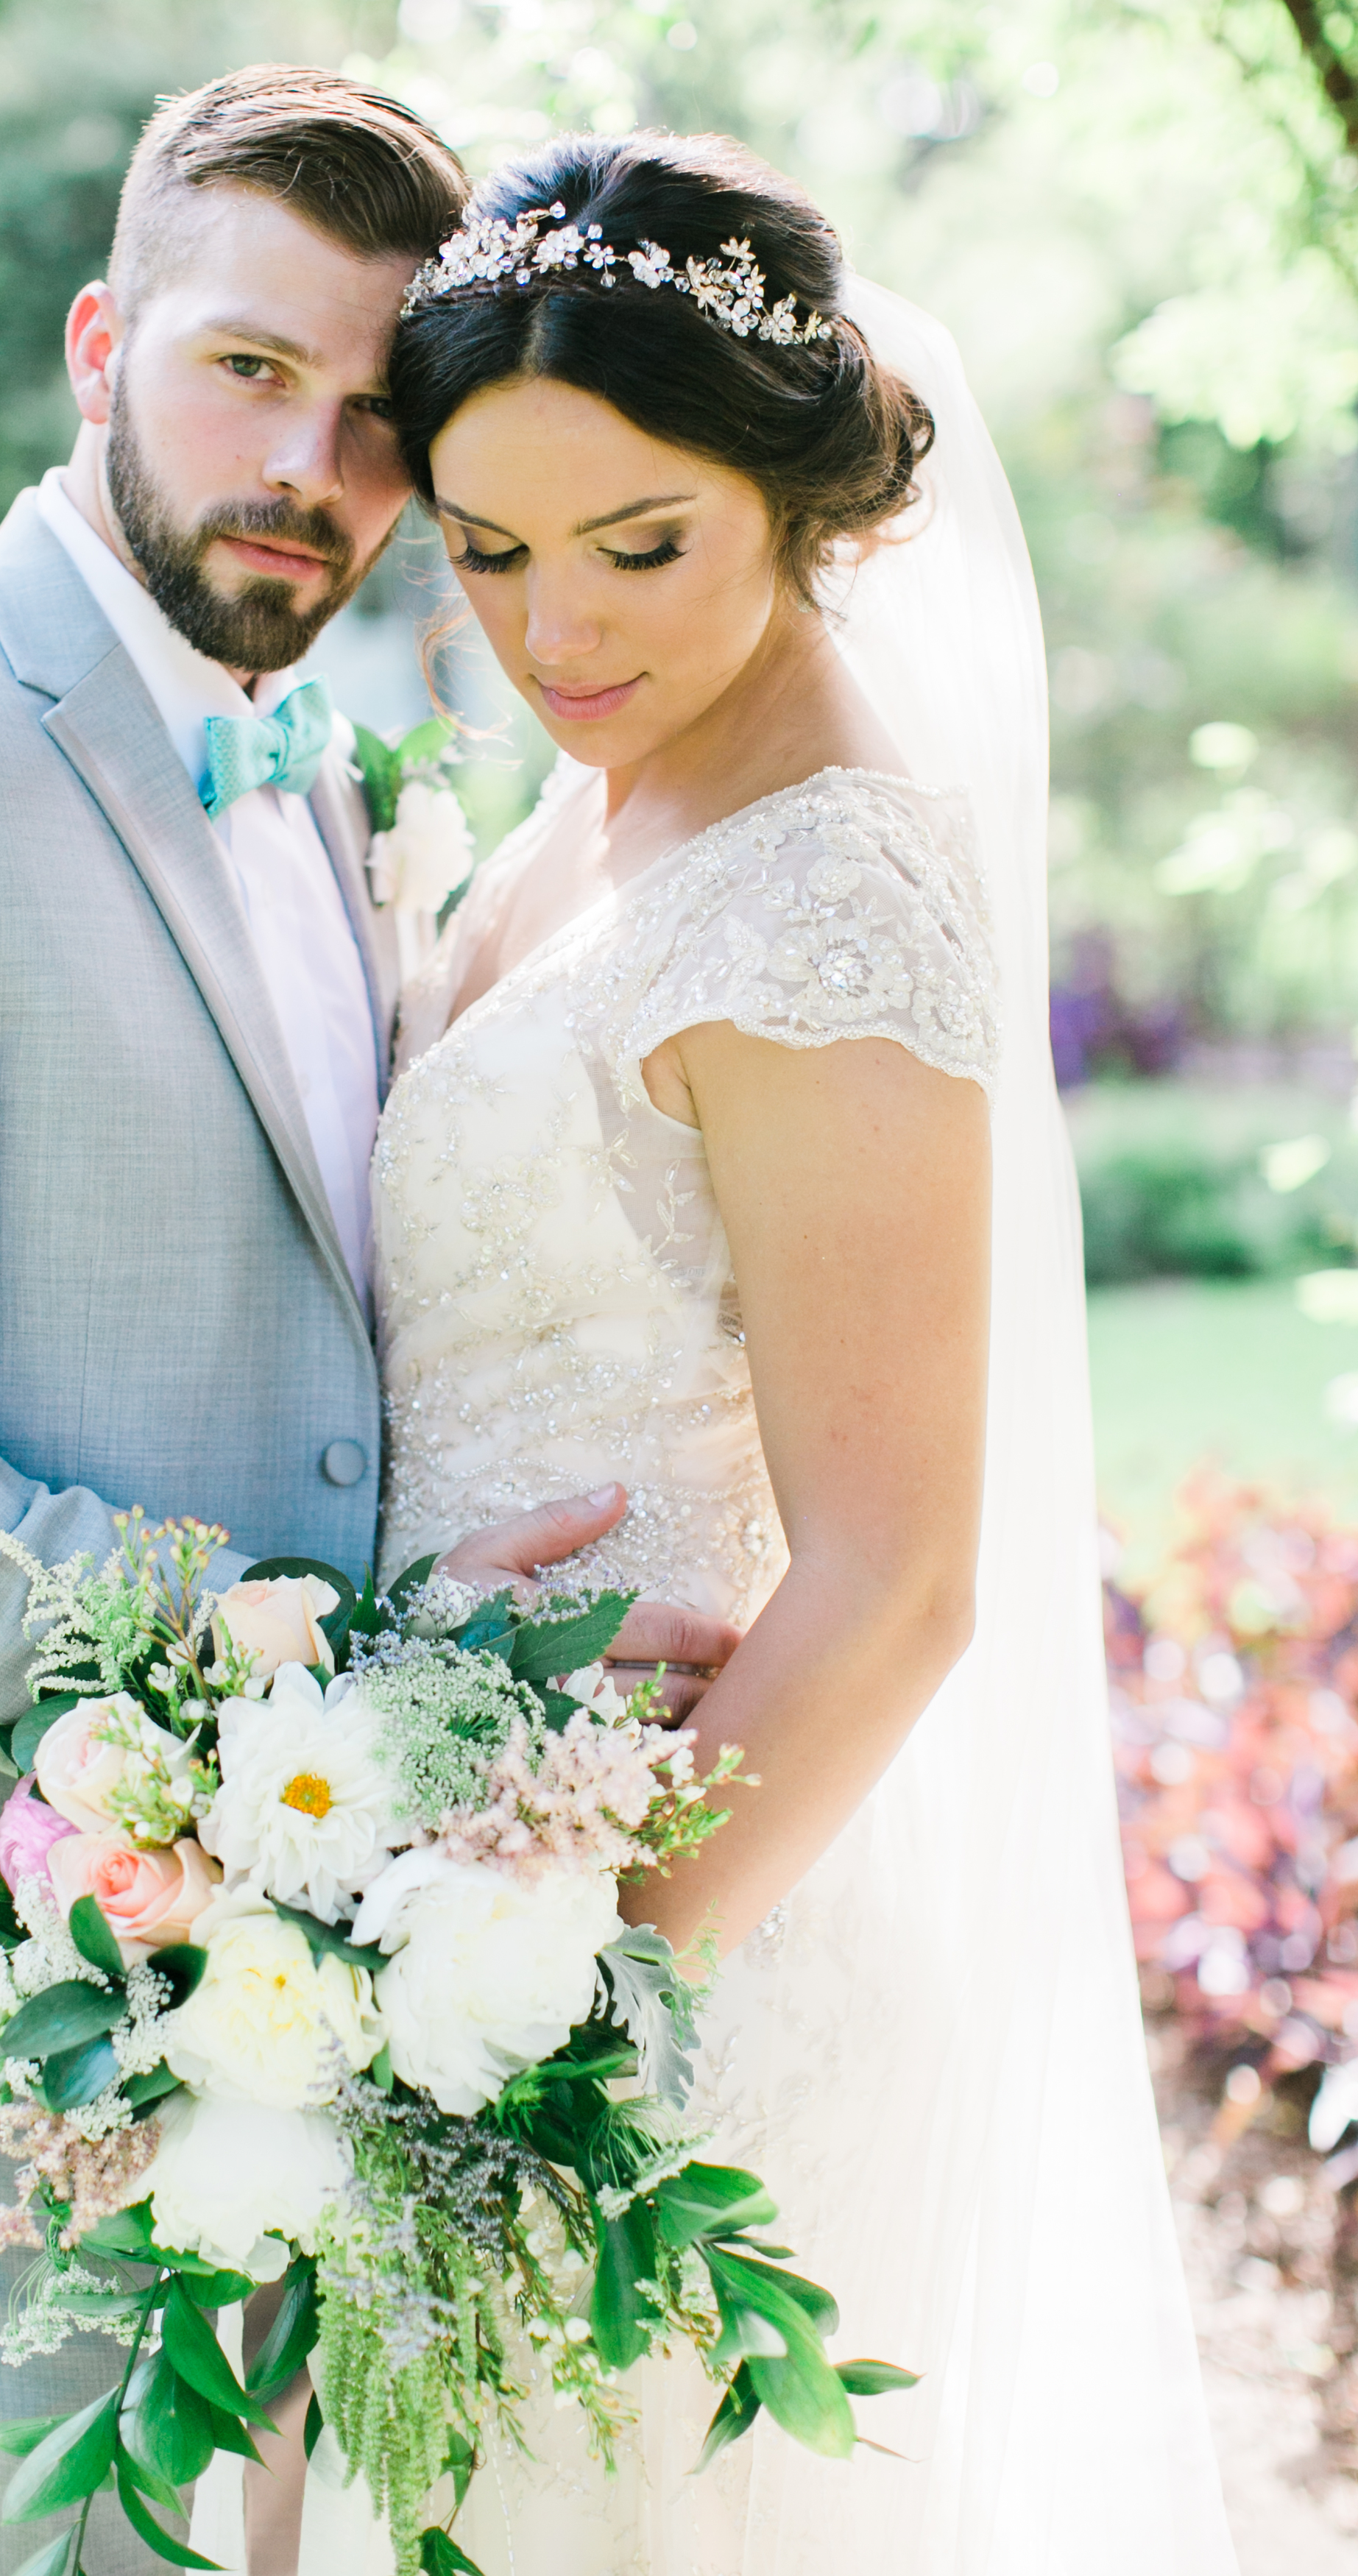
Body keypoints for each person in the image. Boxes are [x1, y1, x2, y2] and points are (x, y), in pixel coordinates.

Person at [0, 72, 733, 2576]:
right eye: (243, 370)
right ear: (104, 340)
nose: (305, 466)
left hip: (294, 1981)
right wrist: (317, 1717)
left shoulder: (299, 754)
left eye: (367, 419)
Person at [365, 134, 1242, 2574]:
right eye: (490, 547)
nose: (555, 627)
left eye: (637, 543)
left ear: (805, 485)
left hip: (667, 1960)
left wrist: (545, 2013)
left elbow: (898, 1572)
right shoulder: (603, 804)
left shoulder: (829, 888)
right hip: (448, 1895)